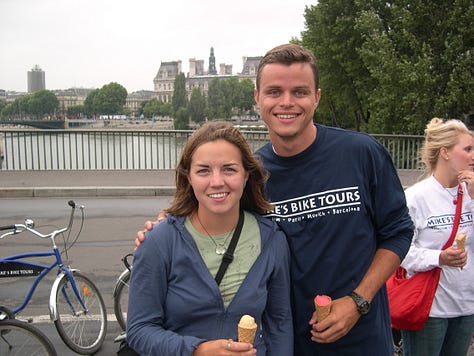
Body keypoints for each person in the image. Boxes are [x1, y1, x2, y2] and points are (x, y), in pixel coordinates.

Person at [136, 44, 414, 355]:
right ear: (257, 97)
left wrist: (358, 300)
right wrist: (162, 229)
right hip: (290, 343)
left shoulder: (362, 154)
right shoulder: (249, 177)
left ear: (317, 97)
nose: (286, 102)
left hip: (362, 340)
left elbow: (399, 232)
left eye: (299, 92)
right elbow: (208, 216)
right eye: (274, 92)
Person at [127, 121, 293, 355]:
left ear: (246, 175)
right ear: (188, 178)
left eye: (229, 169)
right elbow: (139, 329)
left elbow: (280, 324)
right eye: (203, 170)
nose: (217, 181)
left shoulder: (272, 240)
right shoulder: (159, 242)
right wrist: (197, 350)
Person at [400, 117, 474, 355]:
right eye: (468, 149)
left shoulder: (471, 193)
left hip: (466, 307)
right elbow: (400, 253)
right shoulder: (416, 197)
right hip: (428, 309)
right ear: (445, 153)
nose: (473, 156)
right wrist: (439, 257)